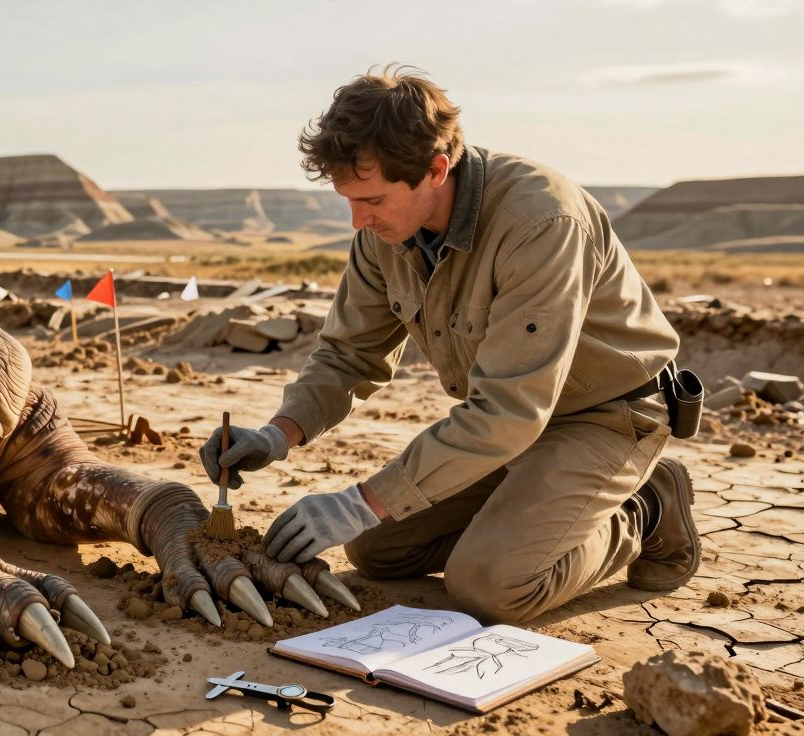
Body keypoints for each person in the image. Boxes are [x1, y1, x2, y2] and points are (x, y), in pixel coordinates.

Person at [200, 65, 700, 625]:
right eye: (347, 200)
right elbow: (348, 355)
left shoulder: (540, 222)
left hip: (604, 418)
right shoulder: (382, 235)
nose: (357, 220)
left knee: (491, 586)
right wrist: (278, 433)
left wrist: (363, 501)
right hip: (505, 428)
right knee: (378, 550)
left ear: (436, 169)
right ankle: (533, 509)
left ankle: (646, 509)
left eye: (371, 200)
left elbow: (511, 410)